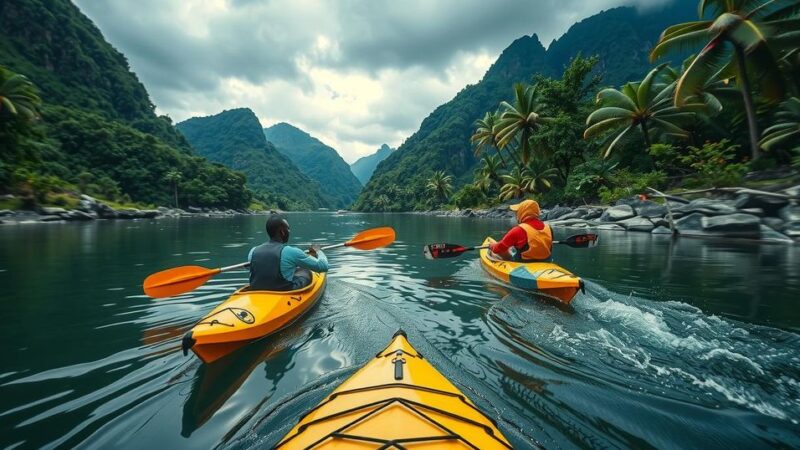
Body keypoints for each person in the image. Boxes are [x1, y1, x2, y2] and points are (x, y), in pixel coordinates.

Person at [247, 214, 329, 291]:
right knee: (305, 270)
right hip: (284, 290)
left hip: (256, 289)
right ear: (282, 232)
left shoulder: (253, 251)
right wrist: (318, 250)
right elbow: (323, 266)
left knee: (291, 268)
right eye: (288, 228)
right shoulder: (291, 251)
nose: (289, 231)